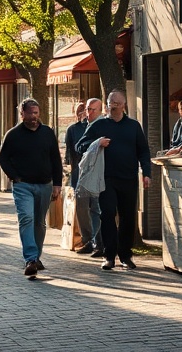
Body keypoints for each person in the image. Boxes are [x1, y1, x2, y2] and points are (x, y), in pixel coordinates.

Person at [77, 89, 152, 271]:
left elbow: (143, 150)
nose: (113, 108)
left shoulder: (133, 126)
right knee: (107, 214)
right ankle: (109, 256)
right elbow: (80, 145)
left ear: (124, 105)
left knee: (128, 218)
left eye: (117, 104)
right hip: (106, 179)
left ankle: (125, 255)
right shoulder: (99, 125)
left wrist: (146, 173)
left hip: (129, 178)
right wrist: (97, 143)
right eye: (110, 104)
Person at [0, 98, 62, 278]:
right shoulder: (13, 134)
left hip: (45, 185)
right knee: (26, 218)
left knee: (39, 222)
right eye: (30, 113)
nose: (33, 117)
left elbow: (56, 159)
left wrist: (57, 183)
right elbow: (2, 159)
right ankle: (30, 259)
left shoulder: (48, 132)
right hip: (23, 185)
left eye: (36, 113)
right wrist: (14, 177)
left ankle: (36, 257)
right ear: (22, 114)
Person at [64, 99, 103, 256]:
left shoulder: (101, 125)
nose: (86, 113)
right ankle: (87, 240)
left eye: (89, 109)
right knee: (81, 209)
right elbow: (71, 151)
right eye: (84, 109)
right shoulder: (73, 129)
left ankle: (98, 242)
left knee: (96, 208)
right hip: (79, 174)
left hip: (97, 175)